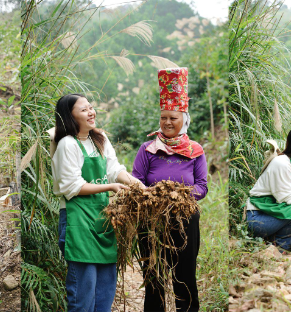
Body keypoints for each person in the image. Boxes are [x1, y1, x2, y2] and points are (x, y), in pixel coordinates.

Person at [52, 93, 140, 312]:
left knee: (104, 292)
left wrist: (141, 188)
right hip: (77, 222)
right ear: (69, 116)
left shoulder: (99, 138)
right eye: (83, 110)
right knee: (83, 294)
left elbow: (114, 169)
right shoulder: (67, 144)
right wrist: (109, 187)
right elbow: (72, 186)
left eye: (91, 107)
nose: (91, 112)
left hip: (102, 220)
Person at [132, 67, 208, 312]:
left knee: (184, 274)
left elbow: (202, 186)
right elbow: (136, 180)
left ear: (183, 120)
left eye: (173, 118)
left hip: (185, 219)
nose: (167, 122)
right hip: (151, 220)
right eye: (163, 117)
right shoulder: (147, 149)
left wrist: (178, 197)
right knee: (153, 274)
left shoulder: (195, 150)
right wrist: (156, 197)